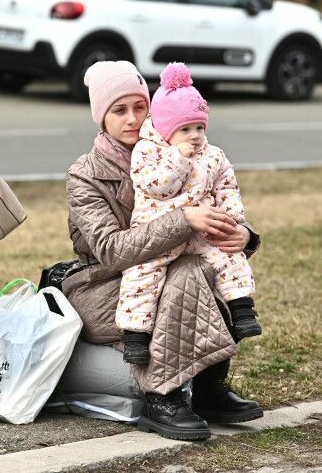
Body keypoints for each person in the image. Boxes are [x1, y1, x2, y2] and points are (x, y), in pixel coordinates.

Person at [61, 60, 263, 441]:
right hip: (105, 287)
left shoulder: (180, 150)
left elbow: (218, 195)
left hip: (169, 273)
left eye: (140, 106)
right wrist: (185, 221)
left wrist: (244, 235)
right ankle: (162, 396)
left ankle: (206, 389)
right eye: (119, 110)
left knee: (203, 267)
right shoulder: (84, 174)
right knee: (188, 271)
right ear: (100, 117)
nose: (133, 118)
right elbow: (110, 250)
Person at [118, 63, 260, 365]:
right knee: (142, 276)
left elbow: (226, 185)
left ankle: (242, 307)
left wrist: (234, 219)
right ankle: (136, 336)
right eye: (185, 129)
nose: (194, 136)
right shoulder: (149, 151)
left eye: (199, 127)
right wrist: (176, 158)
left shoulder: (212, 154)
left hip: (201, 231)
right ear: (167, 129)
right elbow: (157, 187)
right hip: (159, 230)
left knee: (227, 255)